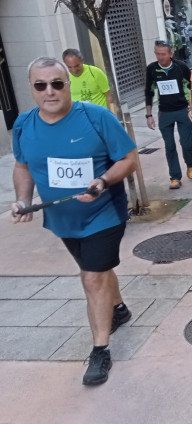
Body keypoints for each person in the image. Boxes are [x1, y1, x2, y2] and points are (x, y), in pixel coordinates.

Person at [11, 57, 137, 385]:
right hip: (61, 217)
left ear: (68, 84)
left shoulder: (96, 117)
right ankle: (119, 308)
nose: (49, 91)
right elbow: (22, 166)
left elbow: (129, 158)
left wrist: (103, 181)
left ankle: (100, 350)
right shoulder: (24, 125)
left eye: (57, 83)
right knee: (98, 268)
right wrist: (24, 200)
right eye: (41, 85)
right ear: (32, 89)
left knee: (91, 277)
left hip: (104, 211)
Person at [145, 40, 192, 189]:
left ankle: (190, 165)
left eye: (163, 54)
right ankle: (175, 177)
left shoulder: (181, 67)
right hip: (165, 112)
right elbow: (149, 91)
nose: (160, 57)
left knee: (185, 143)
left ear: (170, 53)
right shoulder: (152, 69)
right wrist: (149, 115)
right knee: (169, 145)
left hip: (182, 110)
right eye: (158, 54)